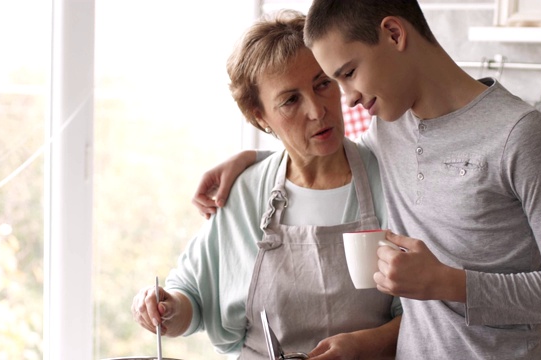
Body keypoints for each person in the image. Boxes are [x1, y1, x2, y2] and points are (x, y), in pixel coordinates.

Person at [192, 1, 541, 359]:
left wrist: (447, 282)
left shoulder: (524, 136)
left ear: (393, 33)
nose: (347, 97)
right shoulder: (391, 128)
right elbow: (322, 152)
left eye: (348, 72)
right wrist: (252, 162)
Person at [132, 10, 402, 360]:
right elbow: (193, 297)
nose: (317, 111)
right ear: (261, 117)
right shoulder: (245, 192)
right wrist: (164, 308)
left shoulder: (391, 178)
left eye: (322, 84)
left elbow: (429, 312)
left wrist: (367, 344)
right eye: (290, 100)